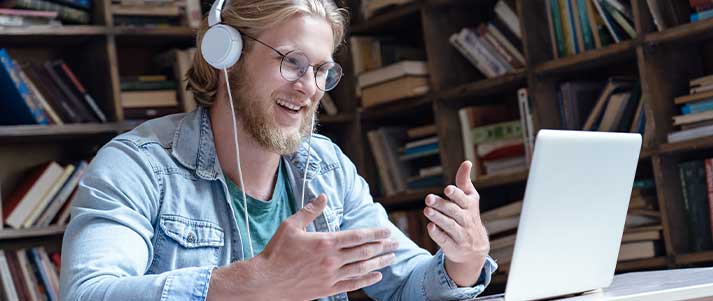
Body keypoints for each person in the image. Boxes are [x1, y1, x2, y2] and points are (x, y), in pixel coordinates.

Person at [59, 0, 497, 300]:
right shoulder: (139, 166)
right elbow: (90, 292)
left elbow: (405, 285)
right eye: (292, 61)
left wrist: (465, 260)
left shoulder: (326, 168)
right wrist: (252, 282)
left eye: (322, 70)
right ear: (225, 55)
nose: (309, 88)